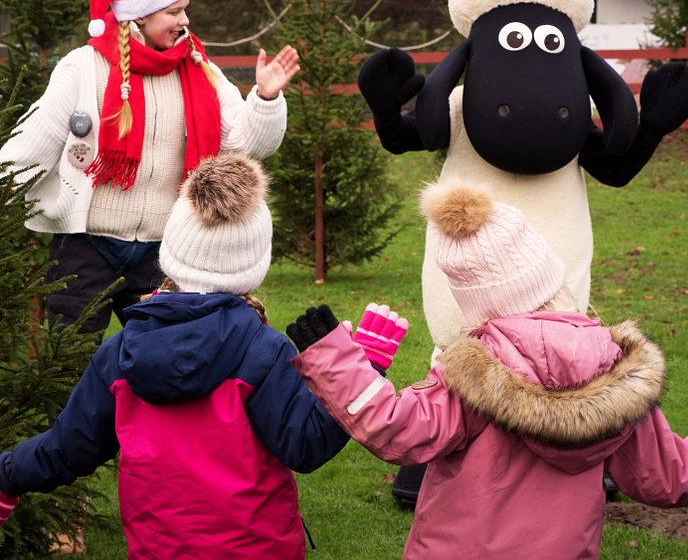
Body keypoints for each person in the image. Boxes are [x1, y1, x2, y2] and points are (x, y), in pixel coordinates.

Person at [286, 180, 688, 560]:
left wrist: (334, 357)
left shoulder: (470, 376)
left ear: (476, 304)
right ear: (547, 275)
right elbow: (679, 475)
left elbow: (397, 428)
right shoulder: (615, 374)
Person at [0, 153, 409, 559]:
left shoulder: (120, 353)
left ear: (171, 254)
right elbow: (306, 445)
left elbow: (68, 448)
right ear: (254, 264)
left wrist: (7, 475)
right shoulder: (262, 352)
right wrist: (362, 368)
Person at [0, 0, 298, 335]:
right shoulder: (83, 67)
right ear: (139, 14)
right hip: (85, 246)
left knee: (165, 360)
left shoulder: (200, 68)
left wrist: (266, 98)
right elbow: (30, 147)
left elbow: (248, 145)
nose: (185, 21)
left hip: (162, 253)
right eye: (174, 12)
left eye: (185, 10)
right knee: (71, 364)